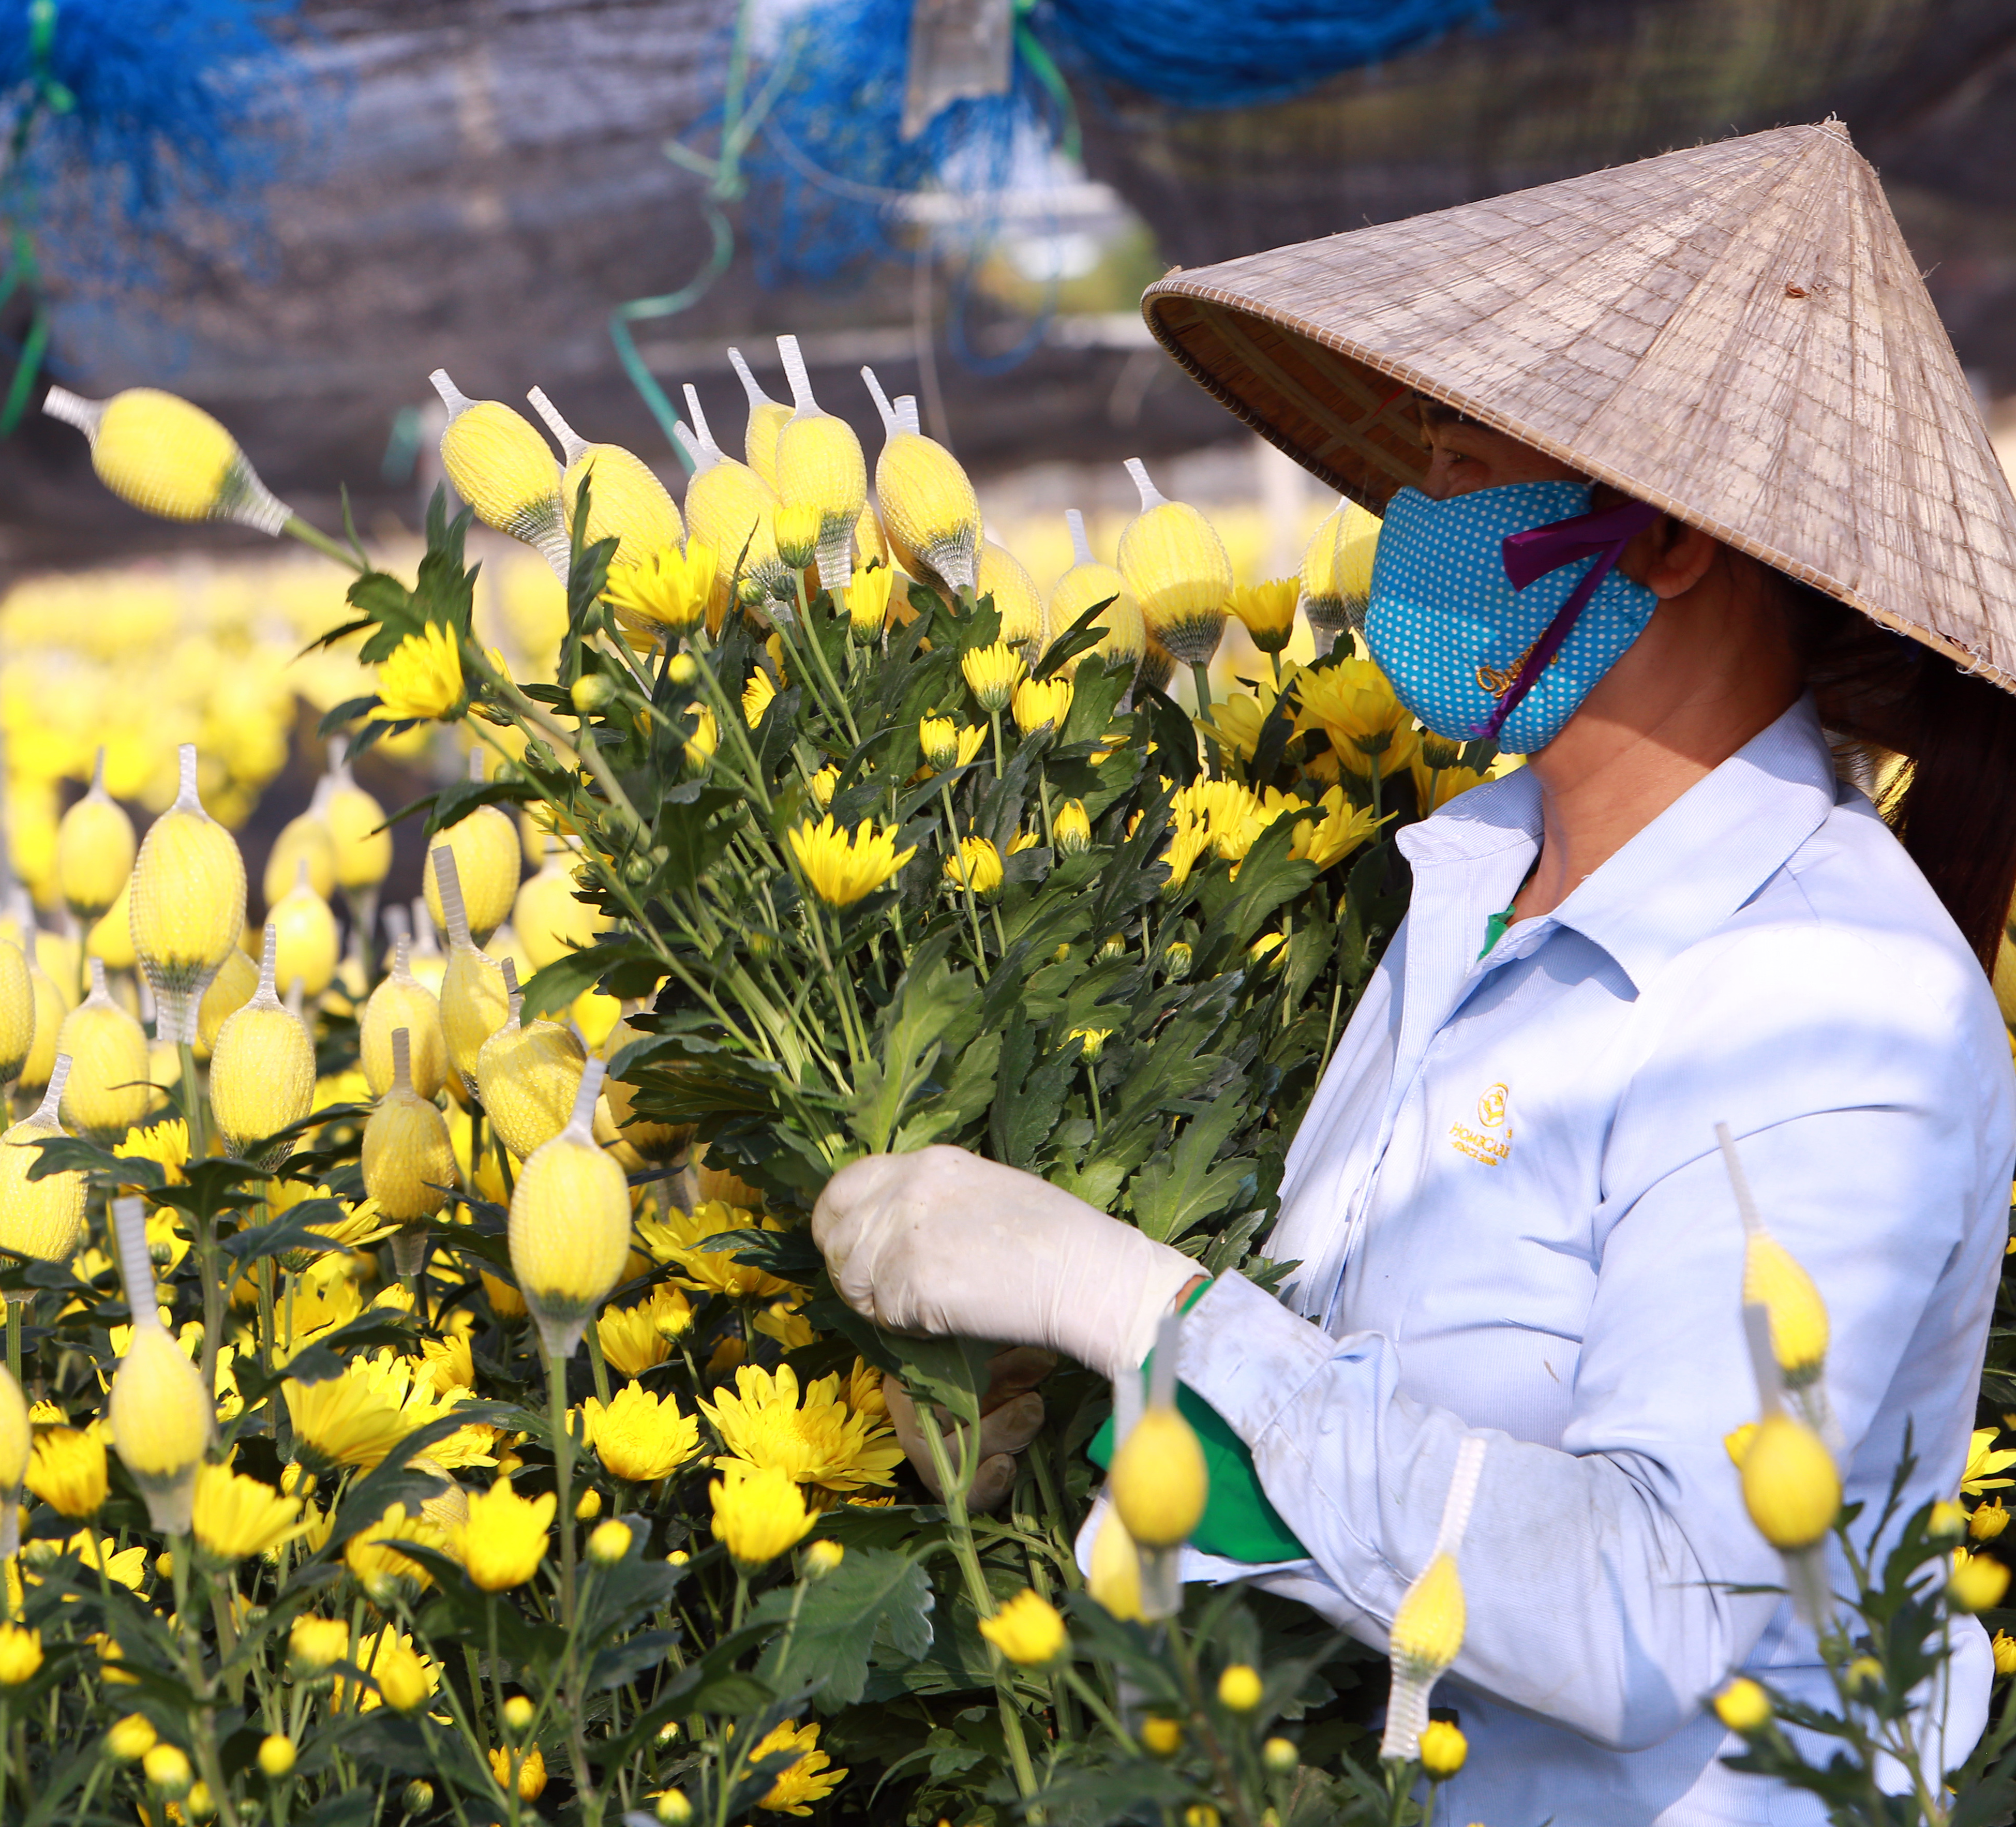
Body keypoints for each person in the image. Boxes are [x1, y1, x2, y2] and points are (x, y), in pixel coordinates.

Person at [813, 121, 2016, 1825]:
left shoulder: (1834, 1001)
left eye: (1458, 473)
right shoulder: (1473, 886)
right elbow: (1379, 1413)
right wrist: (1122, 1412)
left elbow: (1644, 1607)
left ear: (1668, 540)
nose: (1409, 526)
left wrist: (1136, 1307)